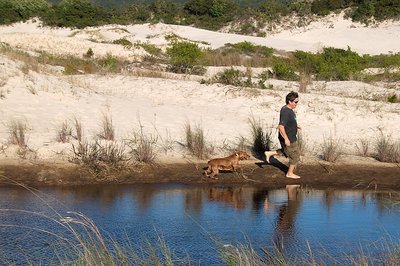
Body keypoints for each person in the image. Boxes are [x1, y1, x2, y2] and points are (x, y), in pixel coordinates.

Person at [265, 91, 301, 179]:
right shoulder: (286, 112)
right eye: (295, 102)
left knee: (287, 151)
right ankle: (289, 173)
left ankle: (269, 153)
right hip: (289, 138)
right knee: (295, 156)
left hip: (291, 136)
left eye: (297, 101)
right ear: (290, 102)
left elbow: (288, 122)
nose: (297, 103)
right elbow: (280, 127)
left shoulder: (287, 109)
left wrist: (296, 126)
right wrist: (286, 139)